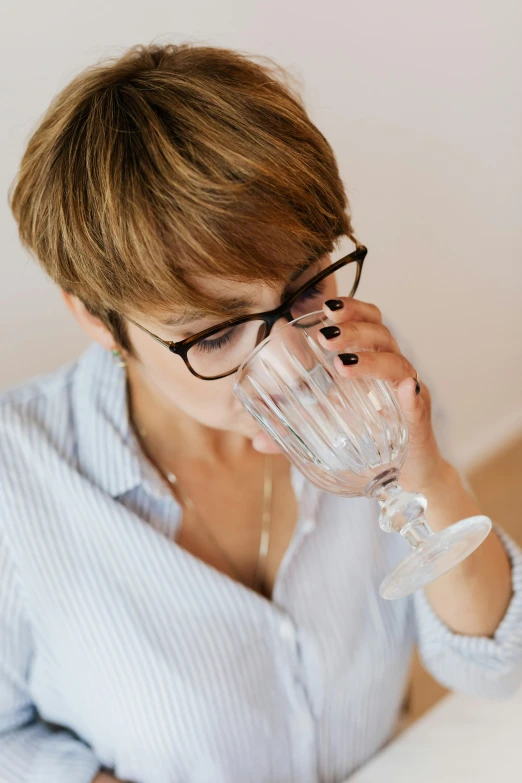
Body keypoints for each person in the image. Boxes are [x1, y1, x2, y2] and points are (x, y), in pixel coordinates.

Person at [2, 42, 521, 783]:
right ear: (95, 317)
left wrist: (426, 468)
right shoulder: (16, 487)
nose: (292, 359)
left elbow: (493, 669)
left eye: (308, 285)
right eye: (215, 334)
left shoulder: (360, 370)